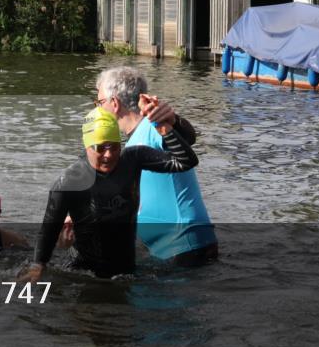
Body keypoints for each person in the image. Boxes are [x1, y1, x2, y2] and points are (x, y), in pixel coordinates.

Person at [22, 107, 199, 282]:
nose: (108, 155)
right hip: (84, 274)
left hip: (126, 271)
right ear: (87, 146)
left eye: (114, 147)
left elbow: (186, 162)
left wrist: (165, 129)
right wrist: (37, 267)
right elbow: (48, 231)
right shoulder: (69, 182)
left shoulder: (133, 158)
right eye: (100, 148)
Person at [94, 67, 217, 266]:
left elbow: (187, 138)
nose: (98, 110)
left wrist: (174, 121)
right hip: (178, 247)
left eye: (100, 103)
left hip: (182, 248)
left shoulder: (152, 127)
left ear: (114, 103)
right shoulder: (136, 140)